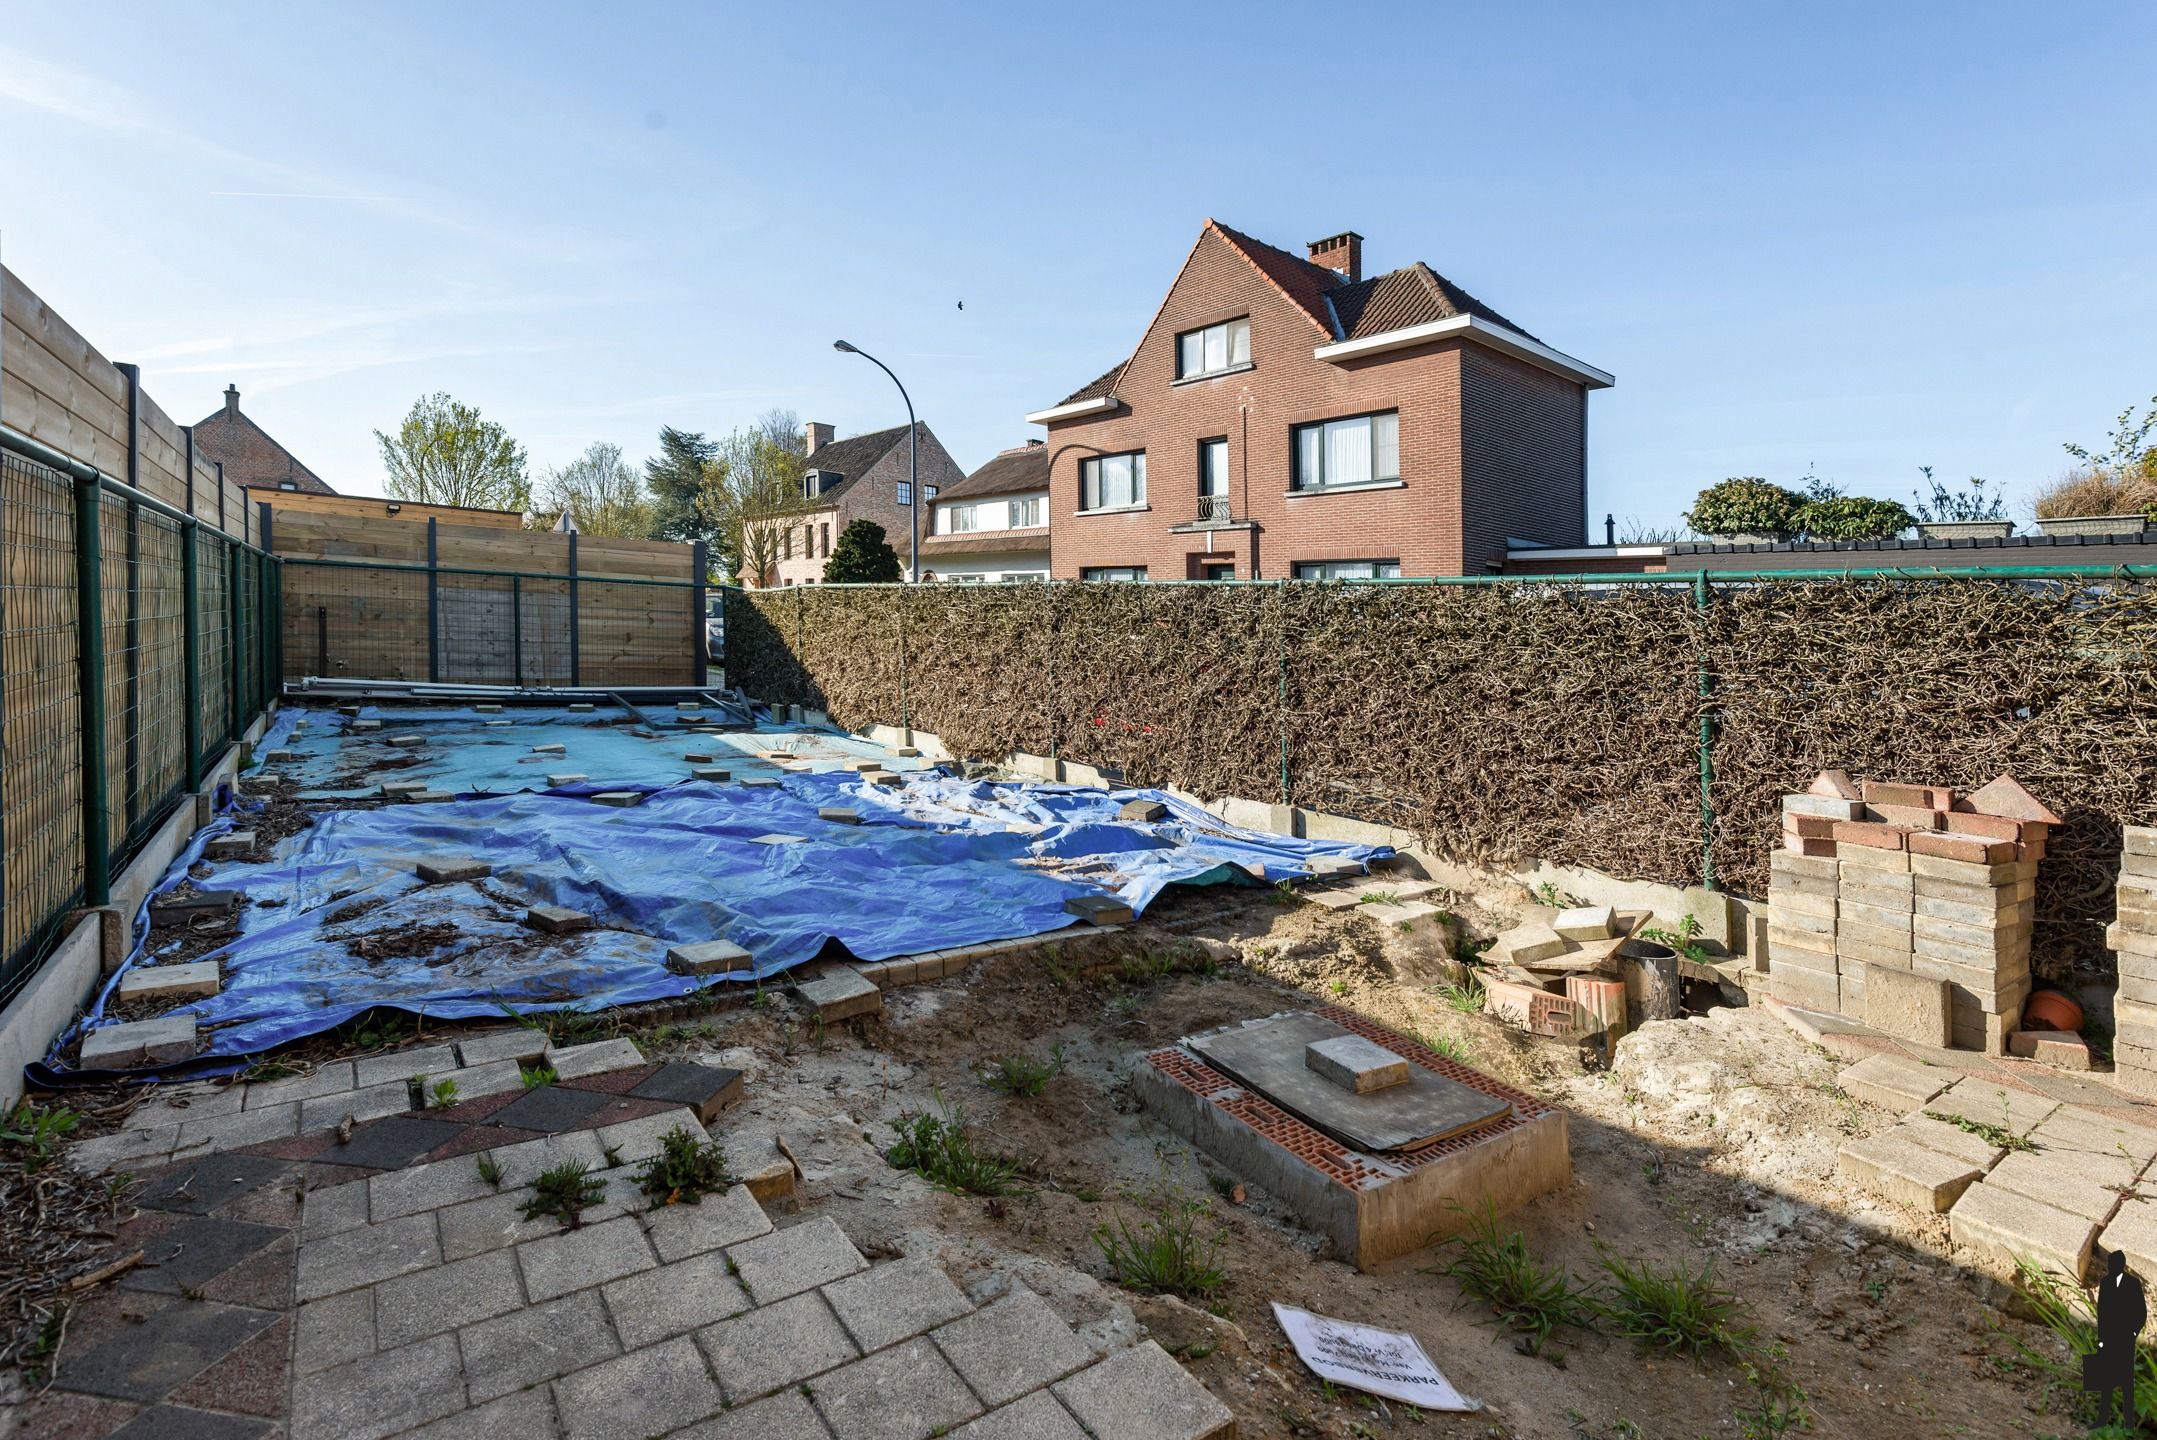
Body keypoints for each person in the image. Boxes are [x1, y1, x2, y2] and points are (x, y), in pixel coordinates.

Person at [2087, 1247, 2145, 1427]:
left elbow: (2140, 1312)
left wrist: (2134, 1332)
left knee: (2127, 1380)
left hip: (2125, 1337)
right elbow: (2103, 1313)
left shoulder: (2133, 1284)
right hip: (2109, 1337)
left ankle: (2128, 1421)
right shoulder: (2106, 1283)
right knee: (2107, 1378)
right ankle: (2102, 1418)